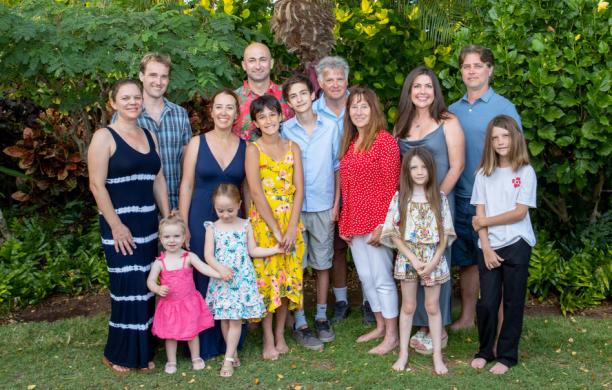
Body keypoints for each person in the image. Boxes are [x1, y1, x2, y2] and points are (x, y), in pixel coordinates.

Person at [88, 79, 170, 373]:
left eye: (137, 97)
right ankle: (119, 353)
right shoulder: (104, 137)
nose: (133, 102)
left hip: (147, 223)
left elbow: (158, 179)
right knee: (128, 288)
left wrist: (167, 216)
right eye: (126, 98)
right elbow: (97, 186)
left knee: (148, 286)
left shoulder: (149, 135)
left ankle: (144, 351)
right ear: (113, 103)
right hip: (119, 225)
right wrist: (116, 226)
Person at [449, 45, 522, 330]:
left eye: (478, 65)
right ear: (461, 73)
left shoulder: (504, 108)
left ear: (489, 69)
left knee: (498, 261)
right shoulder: (452, 111)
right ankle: (467, 317)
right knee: (467, 260)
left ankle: (503, 324)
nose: (472, 71)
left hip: (495, 203)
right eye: (466, 66)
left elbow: (515, 152)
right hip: (462, 197)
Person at [393, 66, 464, 353]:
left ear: (435, 91)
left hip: (440, 203)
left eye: (428, 87)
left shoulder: (448, 121)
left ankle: (437, 327)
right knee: (412, 261)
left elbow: (457, 165)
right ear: (409, 91)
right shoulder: (401, 124)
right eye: (417, 86)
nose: (423, 92)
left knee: (437, 261)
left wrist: (436, 200)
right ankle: (417, 323)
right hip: (411, 207)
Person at [179, 89, 247, 360]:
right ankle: (203, 343)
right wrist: (183, 224)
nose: (223, 112)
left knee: (229, 273)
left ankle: (228, 342)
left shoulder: (244, 146)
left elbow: (249, 190)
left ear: (236, 114)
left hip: (232, 221)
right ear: (211, 111)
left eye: (229, 108)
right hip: (199, 216)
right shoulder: (197, 143)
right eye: (219, 107)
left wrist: (247, 224)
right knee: (201, 277)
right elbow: (186, 185)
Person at [469, 115, 536, 375]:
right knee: (487, 302)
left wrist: (484, 221)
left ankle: (507, 355)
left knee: (512, 302)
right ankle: (485, 350)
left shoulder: (525, 171)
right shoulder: (483, 174)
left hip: (517, 243)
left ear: (515, 137)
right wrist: (485, 247)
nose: (500, 141)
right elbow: (478, 214)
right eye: (495, 137)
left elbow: (519, 212)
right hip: (489, 246)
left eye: (505, 136)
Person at [380, 148, 456, 375]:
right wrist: (412, 257)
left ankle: (437, 356)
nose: (419, 172)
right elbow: (392, 232)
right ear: (407, 171)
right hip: (408, 257)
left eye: (423, 167)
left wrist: (433, 262)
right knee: (409, 305)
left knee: (432, 306)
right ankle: (403, 353)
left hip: (434, 257)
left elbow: (445, 235)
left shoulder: (438, 198)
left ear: (431, 170)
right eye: (414, 167)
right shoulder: (401, 197)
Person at [338, 86, 400, 355]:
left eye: (364, 106)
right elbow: (347, 187)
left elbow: (392, 186)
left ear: (374, 110)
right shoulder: (350, 144)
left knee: (382, 277)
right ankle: (379, 325)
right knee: (365, 277)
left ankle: (393, 335)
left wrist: (383, 226)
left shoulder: (385, 142)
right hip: (354, 220)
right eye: (354, 106)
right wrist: (344, 222)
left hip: (377, 222)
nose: (359, 111)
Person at [313, 56, 374, 325]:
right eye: (329, 79)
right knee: (336, 247)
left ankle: (372, 301)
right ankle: (340, 301)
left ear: (346, 80)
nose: (335, 84)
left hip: (362, 183)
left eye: (340, 78)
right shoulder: (313, 111)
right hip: (329, 187)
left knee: (370, 243)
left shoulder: (359, 103)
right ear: (321, 83)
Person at [282, 74, 341, 349]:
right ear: (289, 102)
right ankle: (300, 320)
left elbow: (337, 167)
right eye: (293, 96)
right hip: (294, 209)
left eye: (303, 94)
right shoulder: (285, 130)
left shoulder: (330, 127)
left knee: (322, 263)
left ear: (312, 95)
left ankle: (320, 316)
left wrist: (336, 204)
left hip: (323, 205)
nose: (299, 99)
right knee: (297, 266)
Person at [245, 95, 305, 360]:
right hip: (264, 225)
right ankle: (267, 338)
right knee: (267, 283)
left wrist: (291, 228)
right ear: (256, 122)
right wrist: (277, 232)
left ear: (281, 116)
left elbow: (300, 191)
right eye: (262, 117)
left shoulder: (293, 147)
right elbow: (256, 192)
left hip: (290, 221)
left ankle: (281, 333)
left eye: (272, 115)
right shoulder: (253, 149)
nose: (268, 120)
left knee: (287, 281)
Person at [204, 183, 280, 377]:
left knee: (236, 319)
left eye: (230, 210)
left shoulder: (245, 225)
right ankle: (233, 352)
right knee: (225, 318)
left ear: (238, 205)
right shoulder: (212, 227)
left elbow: (253, 250)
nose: (225, 214)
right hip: (222, 279)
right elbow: (208, 256)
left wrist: (275, 250)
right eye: (220, 210)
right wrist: (220, 269)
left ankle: (228, 360)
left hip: (241, 279)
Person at [147, 213, 227, 374]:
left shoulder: (188, 257)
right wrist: (157, 289)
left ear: (184, 237)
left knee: (192, 331)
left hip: (188, 302)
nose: (172, 240)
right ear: (161, 239)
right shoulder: (159, 262)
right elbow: (150, 281)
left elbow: (204, 268)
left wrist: (220, 274)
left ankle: (196, 357)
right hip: (169, 305)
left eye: (176, 236)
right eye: (167, 236)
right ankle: (171, 361)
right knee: (170, 335)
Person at [136, 53, 192, 209]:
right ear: (141, 76)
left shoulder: (180, 114)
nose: (158, 82)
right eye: (153, 75)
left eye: (164, 77)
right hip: (141, 205)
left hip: (176, 204)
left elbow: (186, 163)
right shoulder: (128, 116)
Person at [233, 42, 293, 141]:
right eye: (252, 60)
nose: (258, 66)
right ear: (244, 65)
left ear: (272, 63)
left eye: (263, 60)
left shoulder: (288, 95)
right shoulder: (233, 100)